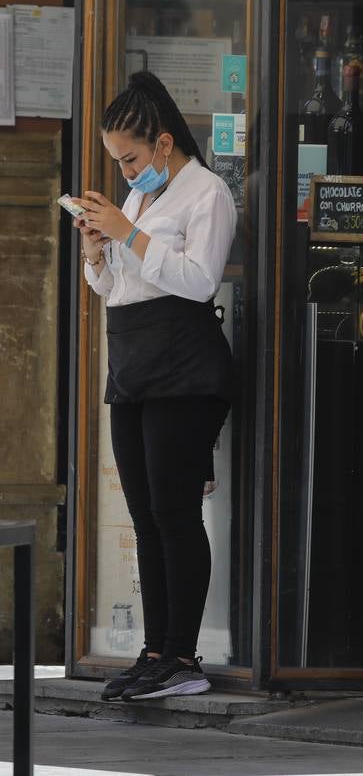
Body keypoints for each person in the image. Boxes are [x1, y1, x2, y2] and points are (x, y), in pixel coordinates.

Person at [74, 71, 237, 702]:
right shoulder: (138, 202)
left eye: (132, 158)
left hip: (186, 368)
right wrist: (96, 250)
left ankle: (183, 656)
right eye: (117, 162)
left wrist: (126, 233)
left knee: (174, 512)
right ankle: (153, 650)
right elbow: (116, 290)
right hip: (135, 364)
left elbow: (199, 281)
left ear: (163, 143)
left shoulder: (208, 193)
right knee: (144, 516)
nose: (125, 172)